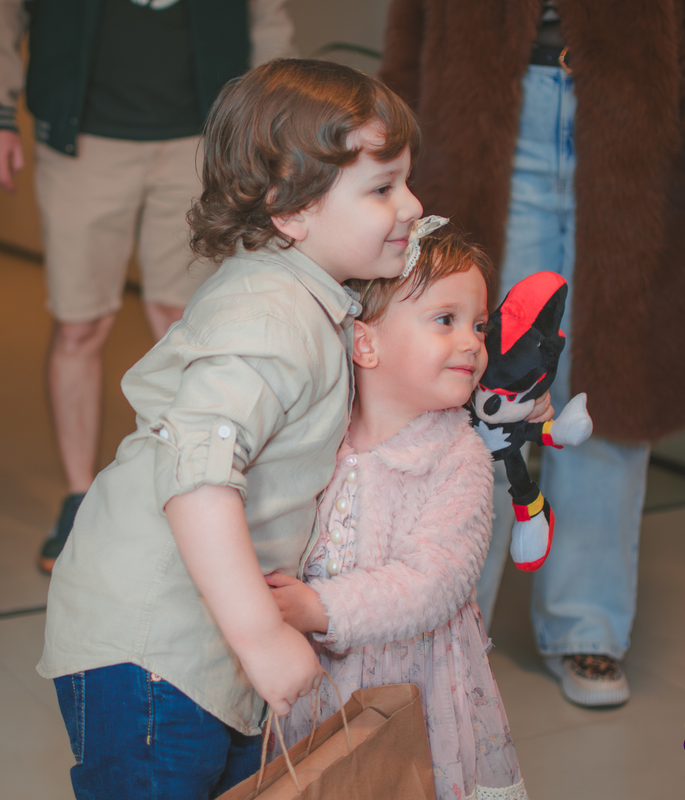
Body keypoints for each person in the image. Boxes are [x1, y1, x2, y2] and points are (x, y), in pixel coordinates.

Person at [379, 0, 685, 707]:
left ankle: (587, 629)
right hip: (483, 119)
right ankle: (447, 618)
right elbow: (414, 19)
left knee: (611, 386)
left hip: (643, 129)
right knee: (472, 387)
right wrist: (392, 149)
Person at [36, 59, 424, 799]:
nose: (412, 204)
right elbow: (197, 478)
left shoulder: (307, 290)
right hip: (154, 648)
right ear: (291, 208)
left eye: (405, 179)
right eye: (383, 187)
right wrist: (262, 636)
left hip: (206, 639)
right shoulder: (267, 316)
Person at [0, 0, 295, 571]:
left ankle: (187, 492)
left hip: (200, 140)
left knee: (187, 323)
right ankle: (77, 498)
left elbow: (266, 16)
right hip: (82, 140)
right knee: (81, 324)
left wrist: (276, 124)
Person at [271, 228, 529, 800]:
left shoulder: (458, 457)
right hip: (320, 686)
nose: (472, 343)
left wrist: (317, 606)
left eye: (478, 325)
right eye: (446, 320)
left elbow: (433, 582)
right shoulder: (321, 437)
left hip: (416, 692)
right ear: (365, 344)